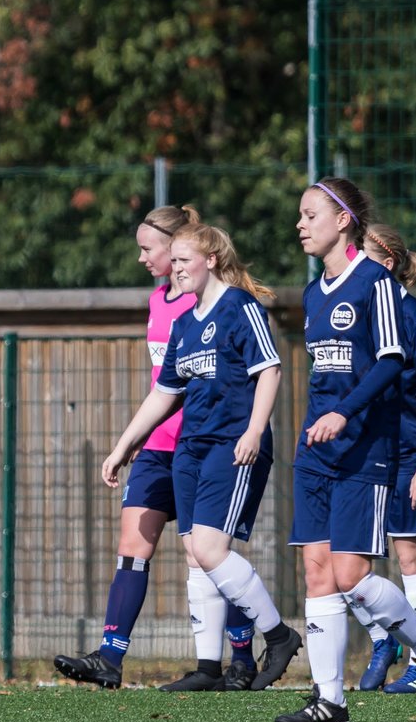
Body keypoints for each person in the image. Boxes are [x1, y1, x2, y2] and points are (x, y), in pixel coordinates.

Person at [277, 177, 416, 722]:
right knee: (316, 573)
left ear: (342, 221)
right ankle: (329, 701)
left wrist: (344, 413)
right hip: (315, 451)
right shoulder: (312, 294)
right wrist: (319, 421)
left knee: (352, 575)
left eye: (310, 215)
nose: (300, 225)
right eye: (300, 216)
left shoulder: (376, 283)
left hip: (365, 451)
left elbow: (387, 361)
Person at [53, 205, 257, 690]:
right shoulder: (157, 301)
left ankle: (244, 657)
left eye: (149, 248)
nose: (143, 257)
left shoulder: (212, 300)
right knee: (131, 546)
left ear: (177, 248)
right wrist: (128, 443)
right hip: (158, 446)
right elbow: (162, 386)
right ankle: (110, 658)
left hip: (202, 445)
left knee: (203, 555)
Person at [100, 221, 303, 692]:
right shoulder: (186, 323)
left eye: (184, 261)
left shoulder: (239, 306)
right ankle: (209, 668)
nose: (175, 270)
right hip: (190, 449)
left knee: (212, 549)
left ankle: (278, 635)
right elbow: (163, 393)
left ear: (211, 260)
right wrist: (123, 445)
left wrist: (254, 430)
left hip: (231, 445)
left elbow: (269, 370)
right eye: (173, 263)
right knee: (196, 553)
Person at [353, 223, 416, 694]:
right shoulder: (353, 313)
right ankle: (382, 638)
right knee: (340, 557)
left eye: (362, 255)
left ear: (386, 263)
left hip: (408, 450)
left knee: (410, 557)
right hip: (359, 451)